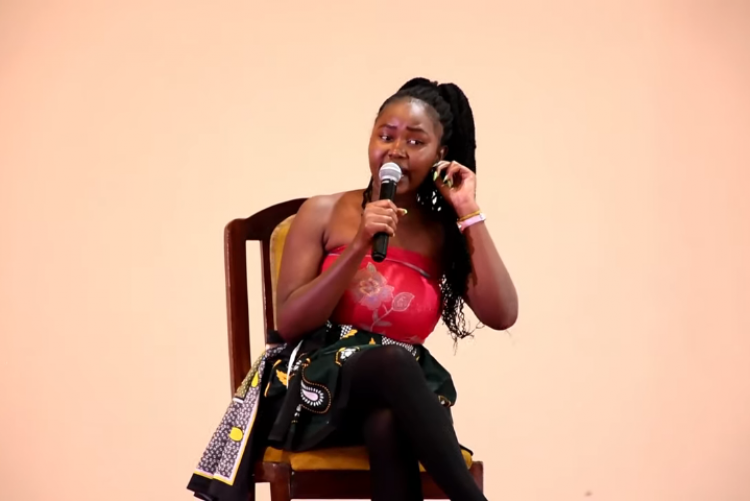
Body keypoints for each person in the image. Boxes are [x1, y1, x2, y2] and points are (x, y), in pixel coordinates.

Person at [187, 77, 518, 501]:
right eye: (386, 136)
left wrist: (468, 211)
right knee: (394, 363)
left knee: (388, 418)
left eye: (415, 142)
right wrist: (359, 244)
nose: (396, 151)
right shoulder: (324, 212)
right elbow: (290, 323)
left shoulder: (441, 235)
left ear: (441, 155)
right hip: (311, 390)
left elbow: (502, 314)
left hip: (397, 393)